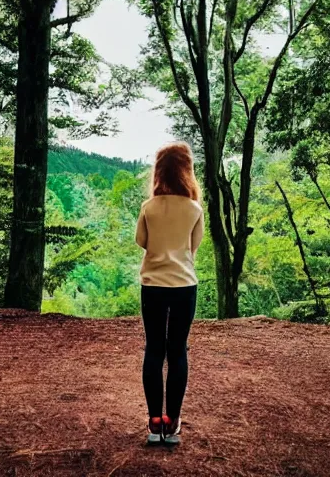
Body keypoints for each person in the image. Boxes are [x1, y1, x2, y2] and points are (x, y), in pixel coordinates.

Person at [135, 142, 204, 445]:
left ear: (159, 170)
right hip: (184, 286)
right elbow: (193, 247)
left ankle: (154, 423)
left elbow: (141, 240)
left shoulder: (149, 207)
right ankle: (172, 422)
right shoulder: (194, 209)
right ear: (187, 170)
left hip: (153, 285)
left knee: (154, 349)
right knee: (177, 352)